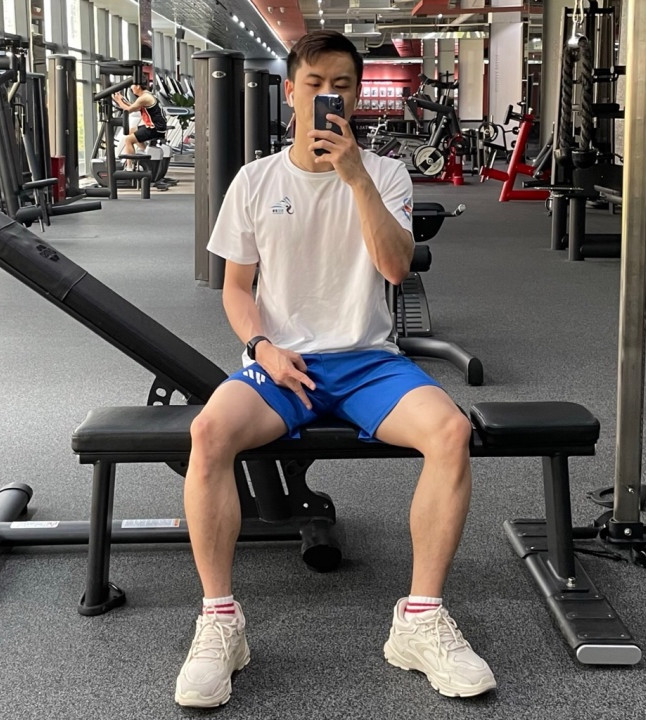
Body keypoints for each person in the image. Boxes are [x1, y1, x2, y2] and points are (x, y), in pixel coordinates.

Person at [174, 30, 496, 708]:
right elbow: (236, 289)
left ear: (356, 96)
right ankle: (219, 623)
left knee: (450, 432)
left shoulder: (385, 174)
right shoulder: (255, 181)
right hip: (283, 362)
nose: (329, 96)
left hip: (369, 361)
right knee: (208, 433)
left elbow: (396, 269)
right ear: (291, 93)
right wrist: (263, 347)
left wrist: (354, 179)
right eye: (315, 84)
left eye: (342, 85)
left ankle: (420, 621)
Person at [112, 83, 167, 170]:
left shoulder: (144, 98)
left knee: (128, 140)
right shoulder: (146, 95)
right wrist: (122, 100)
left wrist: (118, 100)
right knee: (131, 131)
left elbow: (128, 110)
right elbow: (135, 108)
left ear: (138, 86)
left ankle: (129, 168)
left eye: (132, 85)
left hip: (155, 128)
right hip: (157, 127)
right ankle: (145, 152)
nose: (131, 88)